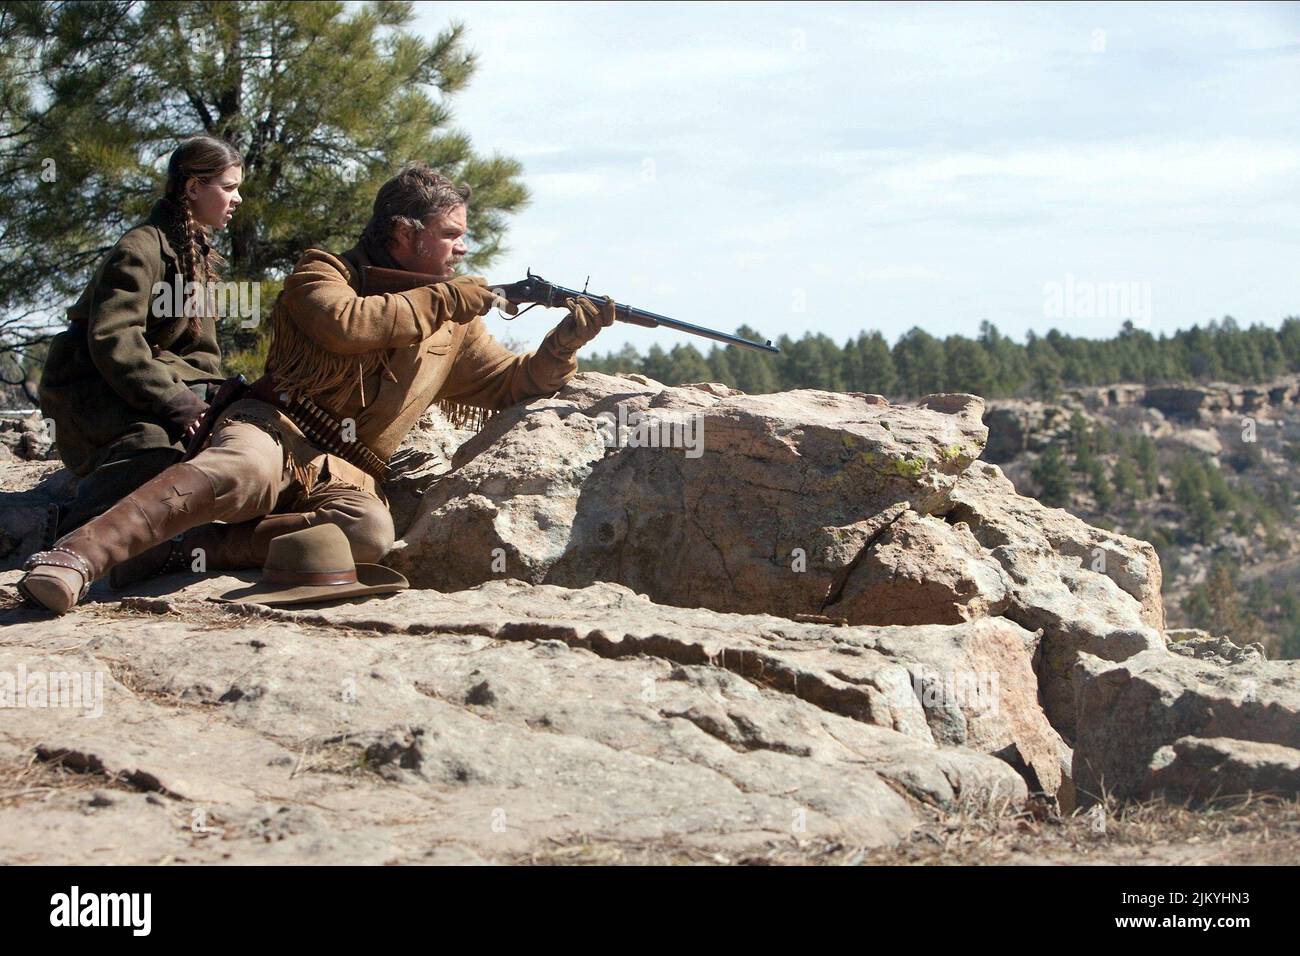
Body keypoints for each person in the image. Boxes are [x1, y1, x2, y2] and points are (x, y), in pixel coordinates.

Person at [18, 162, 615, 614]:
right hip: (276, 426)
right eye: (451, 234)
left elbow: (510, 383)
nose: (463, 248)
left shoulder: (455, 321)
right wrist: (447, 298)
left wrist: (564, 342)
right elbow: (344, 324)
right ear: (405, 235)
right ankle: (78, 555)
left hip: (347, 470)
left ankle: (188, 548)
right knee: (240, 471)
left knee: (370, 535)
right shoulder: (323, 271)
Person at [38, 135, 244, 540]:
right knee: (156, 446)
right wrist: (177, 402)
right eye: (229, 187)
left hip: (132, 387)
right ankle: (76, 531)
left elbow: (201, 355)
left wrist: (213, 401)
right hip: (89, 391)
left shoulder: (195, 253)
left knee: (225, 430)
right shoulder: (139, 249)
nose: (237, 199)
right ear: (193, 188)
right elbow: (113, 341)